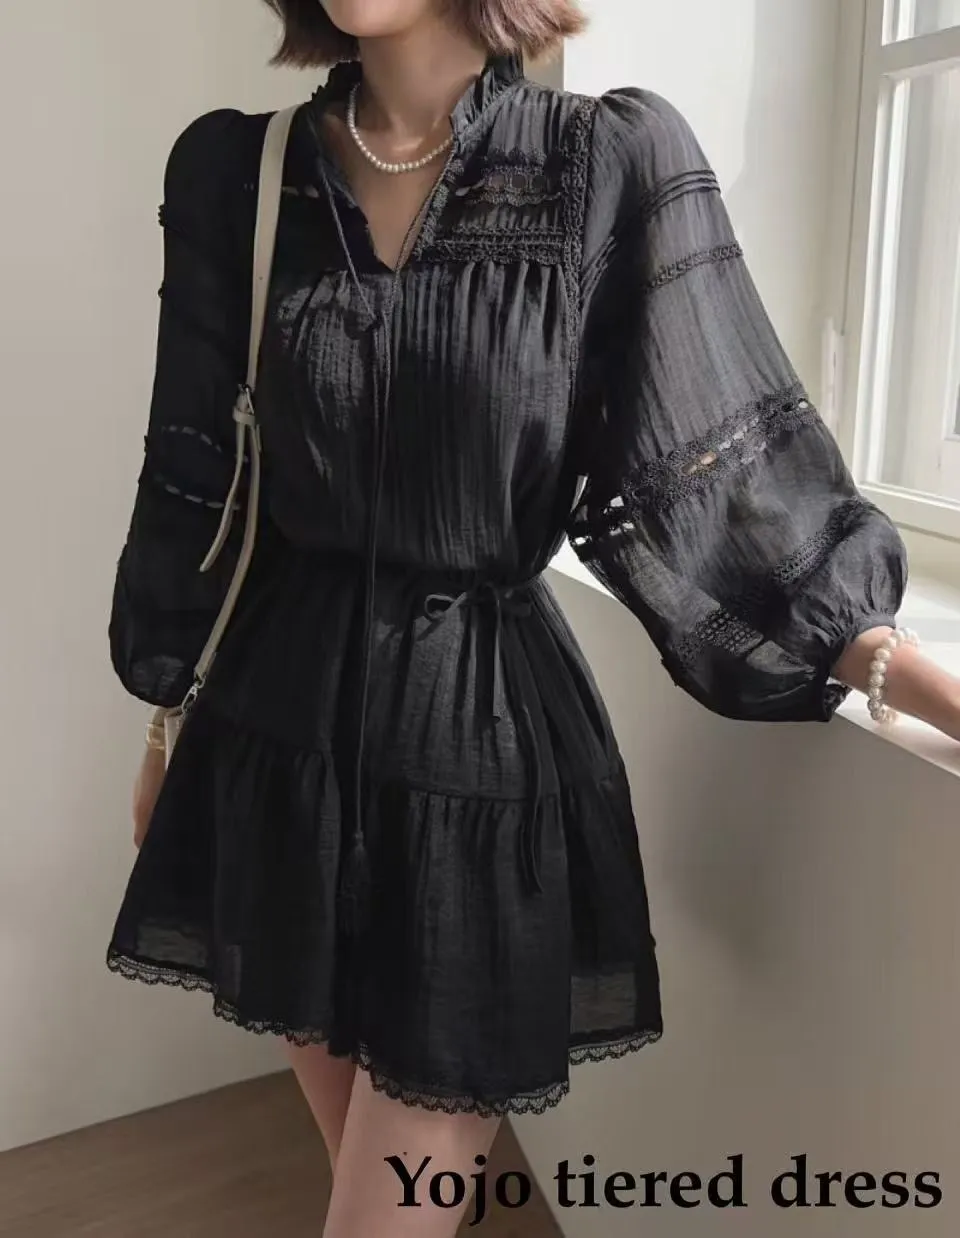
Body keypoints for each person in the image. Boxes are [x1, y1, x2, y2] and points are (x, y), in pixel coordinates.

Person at [106, 1, 960, 1233]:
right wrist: (165, 708)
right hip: (276, 741)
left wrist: (890, 661)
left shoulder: (607, 164)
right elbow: (198, 471)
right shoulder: (237, 171)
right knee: (373, 1191)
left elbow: (720, 469)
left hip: (478, 758)